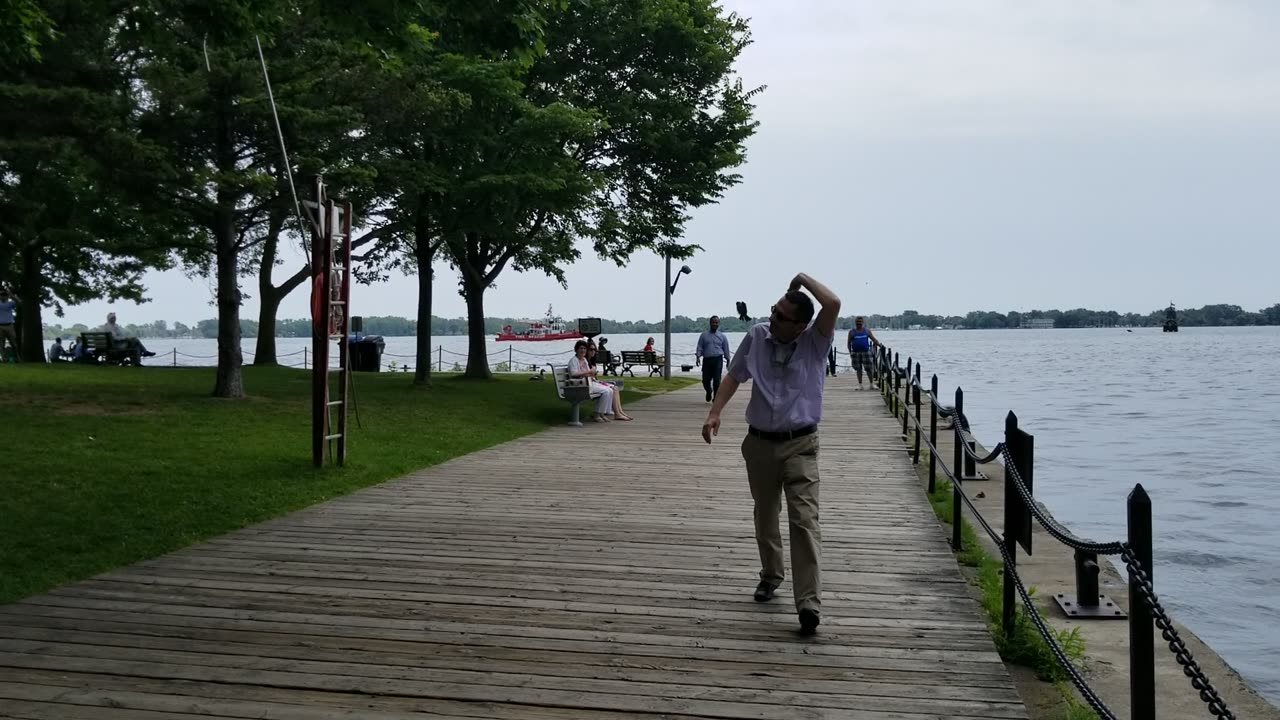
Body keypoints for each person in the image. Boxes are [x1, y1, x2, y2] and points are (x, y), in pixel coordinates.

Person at [702, 272, 840, 636]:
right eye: (774, 310)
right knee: (765, 514)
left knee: (804, 521)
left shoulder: (816, 342)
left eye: (781, 315)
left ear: (800, 326)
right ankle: (770, 575)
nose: (772, 317)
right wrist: (715, 412)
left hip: (801, 445)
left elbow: (833, 304)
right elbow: (733, 375)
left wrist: (802, 281)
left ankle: (809, 603)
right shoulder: (757, 336)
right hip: (760, 443)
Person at [568, 340, 632, 422]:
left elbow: (589, 373)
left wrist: (592, 373)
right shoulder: (574, 360)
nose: (583, 350)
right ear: (576, 350)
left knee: (610, 390)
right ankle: (597, 414)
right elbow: (574, 373)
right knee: (606, 391)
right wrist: (589, 372)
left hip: (589, 382)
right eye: (581, 348)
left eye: (584, 348)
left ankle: (602, 413)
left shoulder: (584, 360)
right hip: (580, 385)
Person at [695, 315, 732, 402]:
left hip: (718, 360)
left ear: (719, 324)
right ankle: (709, 391)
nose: (715, 324)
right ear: (710, 323)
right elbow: (700, 347)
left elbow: (726, 348)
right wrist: (697, 357)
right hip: (707, 360)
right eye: (713, 322)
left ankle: (716, 397)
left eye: (716, 322)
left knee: (717, 380)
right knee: (705, 380)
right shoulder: (704, 335)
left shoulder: (722, 336)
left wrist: (728, 360)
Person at [846, 316, 879, 389]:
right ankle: (860, 385)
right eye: (857, 322)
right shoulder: (851, 332)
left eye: (860, 322)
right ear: (855, 323)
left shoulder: (867, 331)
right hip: (855, 352)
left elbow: (873, 339)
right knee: (858, 369)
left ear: (863, 323)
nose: (859, 323)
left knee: (869, 369)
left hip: (866, 352)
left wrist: (879, 344)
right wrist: (850, 352)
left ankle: (871, 384)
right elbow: (848, 343)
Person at [0, 287, 18, 362]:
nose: (3, 296)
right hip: (0, 326)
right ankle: (3, 359)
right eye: (1, 294)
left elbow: (19, 302)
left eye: (4, 294)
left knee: (14, 343)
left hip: (10, 325)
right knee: (1, 344)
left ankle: (17, 357)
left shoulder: (10, 303)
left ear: (7, 296)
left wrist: (11, 295)